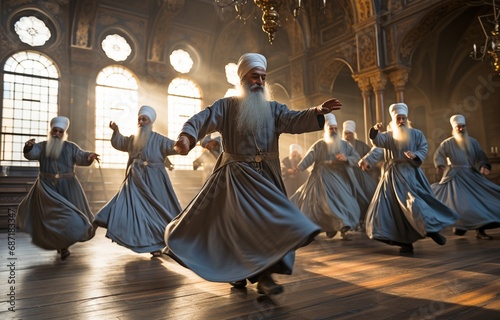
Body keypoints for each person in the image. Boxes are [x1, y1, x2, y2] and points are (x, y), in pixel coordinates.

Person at [164, 52, 342, 295]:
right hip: (237, 179)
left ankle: (265, 276)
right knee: (240, 228)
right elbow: (201, 119)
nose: (259, 82)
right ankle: (239, 272)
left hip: (267, 178)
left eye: (263, 78)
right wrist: (186, 136)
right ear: (242, 79)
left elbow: (294, 119)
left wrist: (317, 112)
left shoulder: (274, 110)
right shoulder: (226, 107)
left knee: (269, 227)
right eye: (254, 77)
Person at [365, 103, 458, 253]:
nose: (401, 121)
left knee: (415, 203)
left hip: (412, 174)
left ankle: (431, 230)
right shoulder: (389, 136)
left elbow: (423, 147)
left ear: (407, 119)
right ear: (394, 121)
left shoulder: (416, 134)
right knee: (395, 211)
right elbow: (377, 142)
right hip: (392, 177)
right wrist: (375, 131)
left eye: (403, 118)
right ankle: (405, 243)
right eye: (398, 119)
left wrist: (416, 155)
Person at [94, 105, 182, 257]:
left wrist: (184, 142)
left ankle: (157, 244)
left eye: (144, 119)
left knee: (156, 212)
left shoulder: (159, 139)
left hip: (155, 181)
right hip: (135, 180)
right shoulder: (132, 139)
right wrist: (116, 131)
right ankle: (108, 223)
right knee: (130, 209)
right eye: (139, 119)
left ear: (150, 122)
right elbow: (119, 142)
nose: (141, 122)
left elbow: (173, 147)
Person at [16, 116, 100, 260]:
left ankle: (64, 245)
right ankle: (61, 245)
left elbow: (81, 156)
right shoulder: (42, 146)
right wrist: (28, 147)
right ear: (51, 131)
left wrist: (89, 156)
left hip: (68, 186)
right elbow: (31, 154)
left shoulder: (70, 147)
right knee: (52, 218)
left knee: (69, 217)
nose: (57, 134)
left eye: (60, 132)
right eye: (55, 131)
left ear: (64, 133)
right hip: (47, 188)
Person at [290, 113, 370, 240]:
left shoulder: (344, 145)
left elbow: (356, 157)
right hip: (320, 177)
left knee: (346, 202)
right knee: (320, 204)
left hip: (338, 177)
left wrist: (346, 158)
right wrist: (300, 167)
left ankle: (344, 227)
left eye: (335, 128)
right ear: (326, 130)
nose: (333, 131)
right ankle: (326, 227)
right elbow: (309, 157)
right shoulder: (319, 144)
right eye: (330, 128)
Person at [432, 114, 500, 240]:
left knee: (481, 202)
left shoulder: (472, 142)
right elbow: (439, 155)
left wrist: (483, 166)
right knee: (461, 204)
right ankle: (461, 226)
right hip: (455, 176)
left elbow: (480, 156)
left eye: (463, 127)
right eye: (459, 127)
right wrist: (440, 165)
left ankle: (479, 230)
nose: (461, 129)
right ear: (454, 128)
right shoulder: (447, 143)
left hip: (471, 175)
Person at [341, 120, 379, 230]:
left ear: (354, 134)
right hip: (345, 176)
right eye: (346, 133)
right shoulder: (340, 145)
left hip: (360, 176)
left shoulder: (361, 145)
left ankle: (363, 220)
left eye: (350, 134)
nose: (348, 136)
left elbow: (370, 159)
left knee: (363, 197)